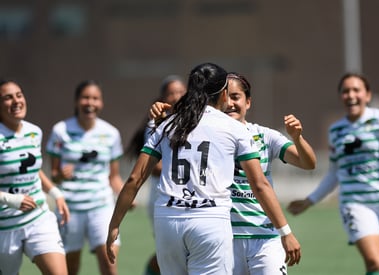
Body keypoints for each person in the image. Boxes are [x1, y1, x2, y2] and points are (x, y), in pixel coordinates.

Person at [106, 62, 301, 275]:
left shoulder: (167, 125)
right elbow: (260, 184)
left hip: (168, 220)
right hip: (209, 220)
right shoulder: (234, 128)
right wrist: (285, 232)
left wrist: (114, 224)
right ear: (223, 94)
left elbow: (135, 179)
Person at [287, 73, 379, 275]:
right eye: (346, 91)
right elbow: (334, 173)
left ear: (367, 95)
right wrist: (309, 201)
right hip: (355, 204)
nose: (351, 95)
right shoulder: (336, 130)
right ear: (341, 96)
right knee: (375, 264)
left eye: (356, 90)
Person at [225, 72, 316, 275]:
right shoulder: (210, 138)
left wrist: (297, 138)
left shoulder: (265, 136)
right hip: (224, 239)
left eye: (235, 96)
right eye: (224, 97)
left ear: (248, 102)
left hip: (265, 238)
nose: (230, 103)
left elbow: (308, 163)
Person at [46, 80, 124, 275]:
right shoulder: (60, 131)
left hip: (102, 207)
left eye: (95, 98)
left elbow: (113, 177)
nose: (90, 102)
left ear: (102, 103)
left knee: (109, 265)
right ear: (76, 102)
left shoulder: (111, 133)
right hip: (69, 210)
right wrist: (60, 176)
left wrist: (125, 197)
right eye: (85, 97)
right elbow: (53, 176)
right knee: (70, 268)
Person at [0, 79, 70, 275]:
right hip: (4, 227)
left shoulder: (34, 132)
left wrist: (56, 193)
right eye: (7, 98)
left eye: (19, 95)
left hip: (38, 218)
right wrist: (10, 199)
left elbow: (33, 169)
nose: (16, 101)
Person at [126, 75, 186, 275]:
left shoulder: (194, 122)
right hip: (161, 199)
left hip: (186, 199)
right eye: (171, 93)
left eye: (180, 92)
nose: (177, 96)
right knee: (171, 252)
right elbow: (154, 166)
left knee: (182, 252)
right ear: (162, 98)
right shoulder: (155, 125)